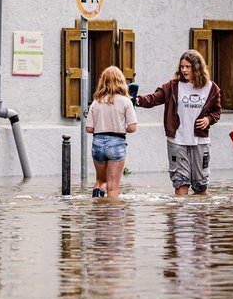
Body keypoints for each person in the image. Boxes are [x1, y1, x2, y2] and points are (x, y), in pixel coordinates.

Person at [134, 49, 221, 195]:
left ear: (197, 67)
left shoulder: (211, 88)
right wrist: (136, 100)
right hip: (177, 140)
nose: (184, 70)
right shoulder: (172, 87)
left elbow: (217, 111)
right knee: (181, 183)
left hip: (200, 140)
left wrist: (209, 119)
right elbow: (153, 98)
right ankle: (179, 216)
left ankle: (201, 216)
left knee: (201, 185)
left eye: (188, 67)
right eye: (182, 67)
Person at [85, 66, 138, 198]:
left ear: (102, 81)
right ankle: (112, 216)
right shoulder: (126, 101)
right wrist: (119, 127)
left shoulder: (96, 102)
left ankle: (97, 211)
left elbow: (89, 128)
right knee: (113, 188)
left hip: (97, 143)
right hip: (116, 143)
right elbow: (132, 128)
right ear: (121, 81)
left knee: (100, 181)